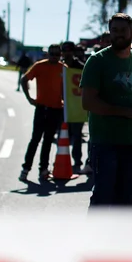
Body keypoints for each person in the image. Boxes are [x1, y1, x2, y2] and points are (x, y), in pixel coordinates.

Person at [80, 13, 132, 208]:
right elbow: (88, 102)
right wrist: (128, 112)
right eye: (114, 30)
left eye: (123, 30)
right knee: (103, 197)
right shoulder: (97, 61)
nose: (118, 35)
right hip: (104, 143)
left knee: (127, 199)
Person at [19, 44, 66, 181]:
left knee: (48, 141)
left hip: (56, 109)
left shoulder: (63, 69)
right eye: (52, 53)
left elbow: (68, 89)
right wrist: (29, 98)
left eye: (57, 54)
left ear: (60, 55)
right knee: (35, 139)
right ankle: (25, 169)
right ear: (48, 54)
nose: (54, 56)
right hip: (42, 108)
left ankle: (43, 170)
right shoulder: (40, 66)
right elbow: (24, 79)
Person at [60, 41, 87, 173]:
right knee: (63, 135)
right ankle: (60, 160)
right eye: (65, 50)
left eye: (69, 50)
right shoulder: (60, 66)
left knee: (76, 136)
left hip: (76, 107)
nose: (67, 53)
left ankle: (77, 161)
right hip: (61, 106)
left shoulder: (81, 67)